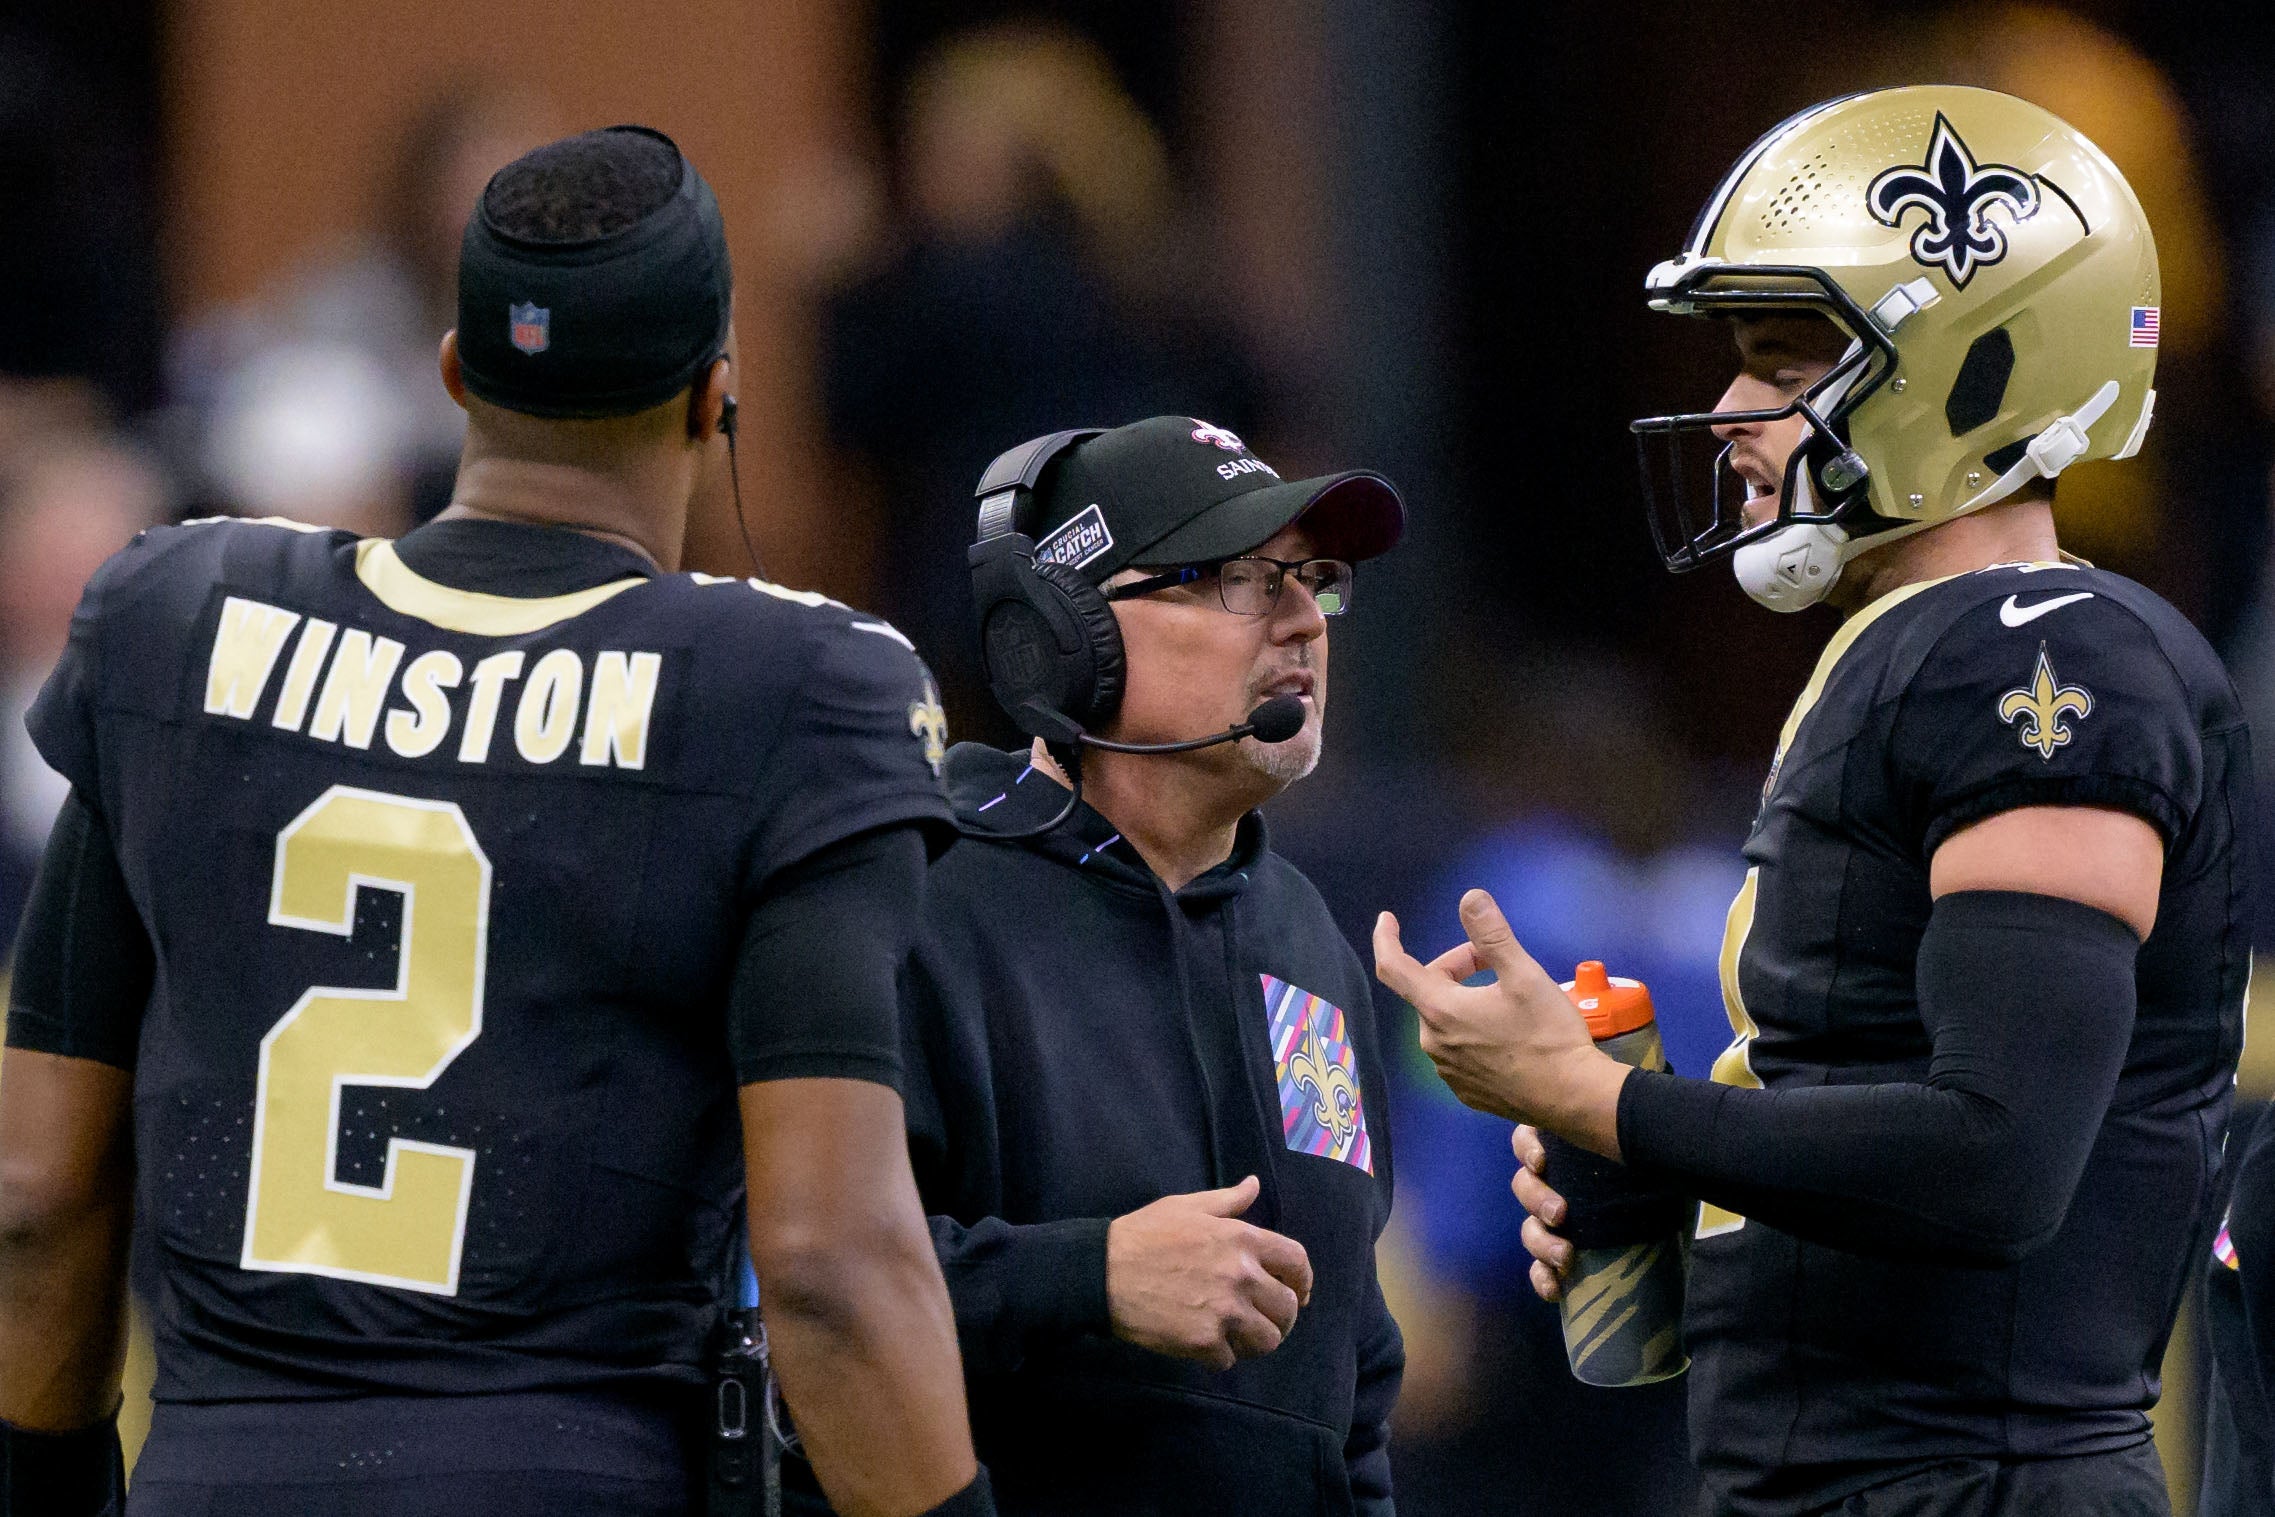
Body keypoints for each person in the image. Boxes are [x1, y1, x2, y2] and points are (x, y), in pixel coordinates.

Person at [0, 126, 991, 1517]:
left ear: (457, 371)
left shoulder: (178, 615)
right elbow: (830, 1262)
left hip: (221, 1473)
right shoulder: (794, 686)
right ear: (715, 396)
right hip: (569, 1468)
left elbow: (35, 1196)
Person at [1376, 86, 2250, 1517]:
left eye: (1785, 359)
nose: (1731, 411)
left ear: (1972, 367)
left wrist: (1604, 1099)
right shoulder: (1917, 648)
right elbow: (1872, 1125)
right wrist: (1650, 1167)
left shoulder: (2042, 655)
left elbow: (1995, 1155)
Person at [783, 416, 1405, 1515]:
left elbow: (1351, 1386)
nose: (1305, 619)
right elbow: (805, 1283)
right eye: (1240, 578)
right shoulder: (912, 886)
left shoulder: (1309, 942)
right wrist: (1088, 1275)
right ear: (1062, 636)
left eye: (1313, 579)